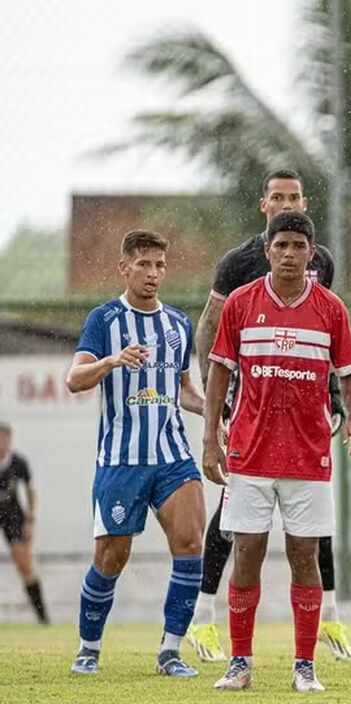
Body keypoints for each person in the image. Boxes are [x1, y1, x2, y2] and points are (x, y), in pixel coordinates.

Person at [187, 169, 351, 664]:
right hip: (250, 408)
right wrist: (215, 406)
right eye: (278, 196)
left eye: (295, 196)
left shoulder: (319, 259)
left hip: (306, 407)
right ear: (263, 204)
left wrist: (340, 401)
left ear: (305, 203)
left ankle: (329, 618)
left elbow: (325, 332)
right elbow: (211, 330)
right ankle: (205, 619)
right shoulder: (238, 264)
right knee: (235, 525)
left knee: (312, 525)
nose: (287, 202)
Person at [65, 230, 206, 678]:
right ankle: (88, 649)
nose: (153, 273)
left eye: (160, 264)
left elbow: (185, 390)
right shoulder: (104, 320)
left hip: (172, 456)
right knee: (110, 558)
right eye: (143, 264)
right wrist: (111, 361)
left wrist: (219, 414)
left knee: (190, 545)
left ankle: (170, 651)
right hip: (121, 459)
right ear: (123, 267)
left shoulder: (179, 324)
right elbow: (74, 380)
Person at [0, 424, 48, 624]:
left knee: (25, 565)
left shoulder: (18, 463)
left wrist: (30, 520)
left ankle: (42, 617)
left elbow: (30, 491)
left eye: (5, 438)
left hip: (12, 515)